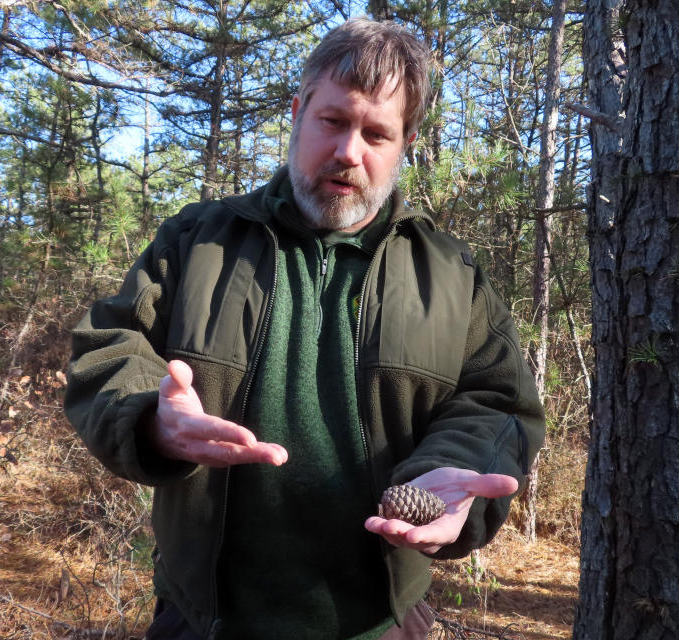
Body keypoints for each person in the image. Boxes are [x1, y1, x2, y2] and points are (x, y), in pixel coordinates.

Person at [65, 17, 545, 640]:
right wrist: (152, 420)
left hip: (377, 627)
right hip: (203, 621)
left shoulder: (451, 274)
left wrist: (451, 469)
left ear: (407, 143)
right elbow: (109, 345)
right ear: (297, 113)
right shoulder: (198, 239)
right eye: (334, 121)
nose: (349, 152)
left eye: (377, 133)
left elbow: (497, 400)